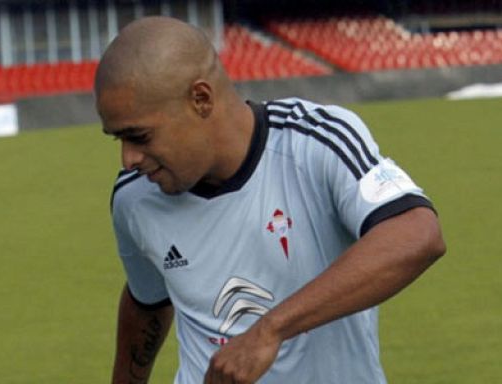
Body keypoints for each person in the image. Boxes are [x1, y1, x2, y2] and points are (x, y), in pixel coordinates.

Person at [95, 16, 446, 384]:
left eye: (140, 136)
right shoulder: (134, 196)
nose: (128, 158)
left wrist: (269, 331)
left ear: (201, 98)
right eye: (117, 139)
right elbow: (147, 300)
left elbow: (417, 233)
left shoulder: (313, 142)